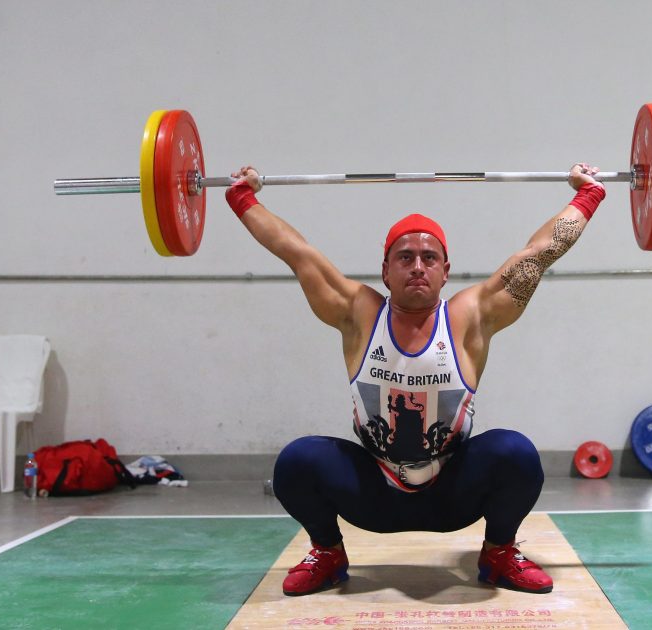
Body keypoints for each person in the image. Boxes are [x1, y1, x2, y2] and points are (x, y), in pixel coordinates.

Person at [225, 163, 606, 597]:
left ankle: (499, 554)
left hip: (453, 493)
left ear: (446, 271)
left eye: (429, 258)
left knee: (515, 453)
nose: (418, 267)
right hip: (373, 494)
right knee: (297, 462)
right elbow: (295, 251)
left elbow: (540, 253)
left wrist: (587, 195)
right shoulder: (358, 312)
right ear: (386, 271)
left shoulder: (470, 316)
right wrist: (243, 199)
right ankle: (328, 553)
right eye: (405, 257)